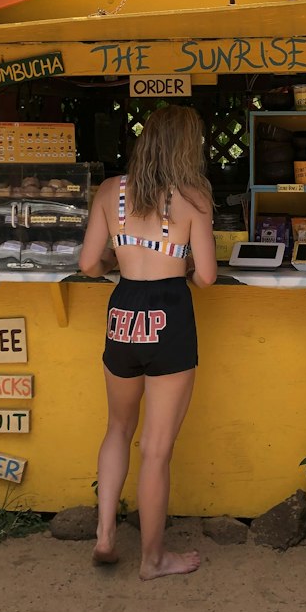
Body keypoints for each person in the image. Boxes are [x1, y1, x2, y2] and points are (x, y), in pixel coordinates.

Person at [78, 105, 217, 578]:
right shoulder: (195, 198)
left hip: (123, 313)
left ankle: (104, 533)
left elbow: (88, 264)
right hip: (170, 316)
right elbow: (207, 278)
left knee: (117, 427)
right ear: (187, 148)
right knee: (155, 450)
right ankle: (153, 558)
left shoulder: (109, 191)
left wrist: (118, 268)